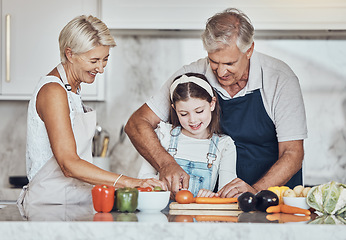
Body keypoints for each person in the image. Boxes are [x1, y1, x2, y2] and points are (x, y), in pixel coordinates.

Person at [125, 8, 307, 198]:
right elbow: (137, 123)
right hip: (216, 203)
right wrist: (166, 163)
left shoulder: (280, 79)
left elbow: (292, 153)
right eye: (214, 61)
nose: (220, 72)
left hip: (271, 198)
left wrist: (254, 191)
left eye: (229, 63)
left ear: (249, 50)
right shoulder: (191, 75)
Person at [18, 15, 166, 206]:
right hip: (49, 207)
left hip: (72, 202)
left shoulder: (71, 90)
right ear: (70, 54)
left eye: (105, 60)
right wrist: (130, 182)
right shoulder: (53, 91)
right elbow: (68, 164)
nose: (101, 68)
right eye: (94, 60)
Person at [137, 73, 237, 197]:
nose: (193, 120)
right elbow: (143, 179)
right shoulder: (164, 135)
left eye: (199, 111)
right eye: (184, 114)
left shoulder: (224, 145)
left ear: (212, 104)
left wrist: (211, 196)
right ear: (174, 109)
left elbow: (226, 193)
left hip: (201, 214)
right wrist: (158, 187)